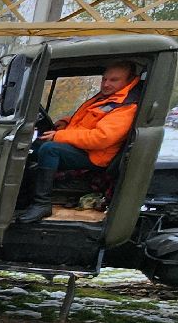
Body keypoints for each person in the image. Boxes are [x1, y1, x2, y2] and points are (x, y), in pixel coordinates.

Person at [17, 60, 141, 223]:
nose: (106, 83)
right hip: (83, 147)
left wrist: (60, 136)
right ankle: (21, 197)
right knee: (31, 145)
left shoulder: (125, 106)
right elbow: (87, 119)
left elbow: (101, 138)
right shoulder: (107, 97)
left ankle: (42, 204)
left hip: (95, 156)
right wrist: (65, 122)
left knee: (50, 149)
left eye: (113, 80)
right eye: (104, 79)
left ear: (129, 80)